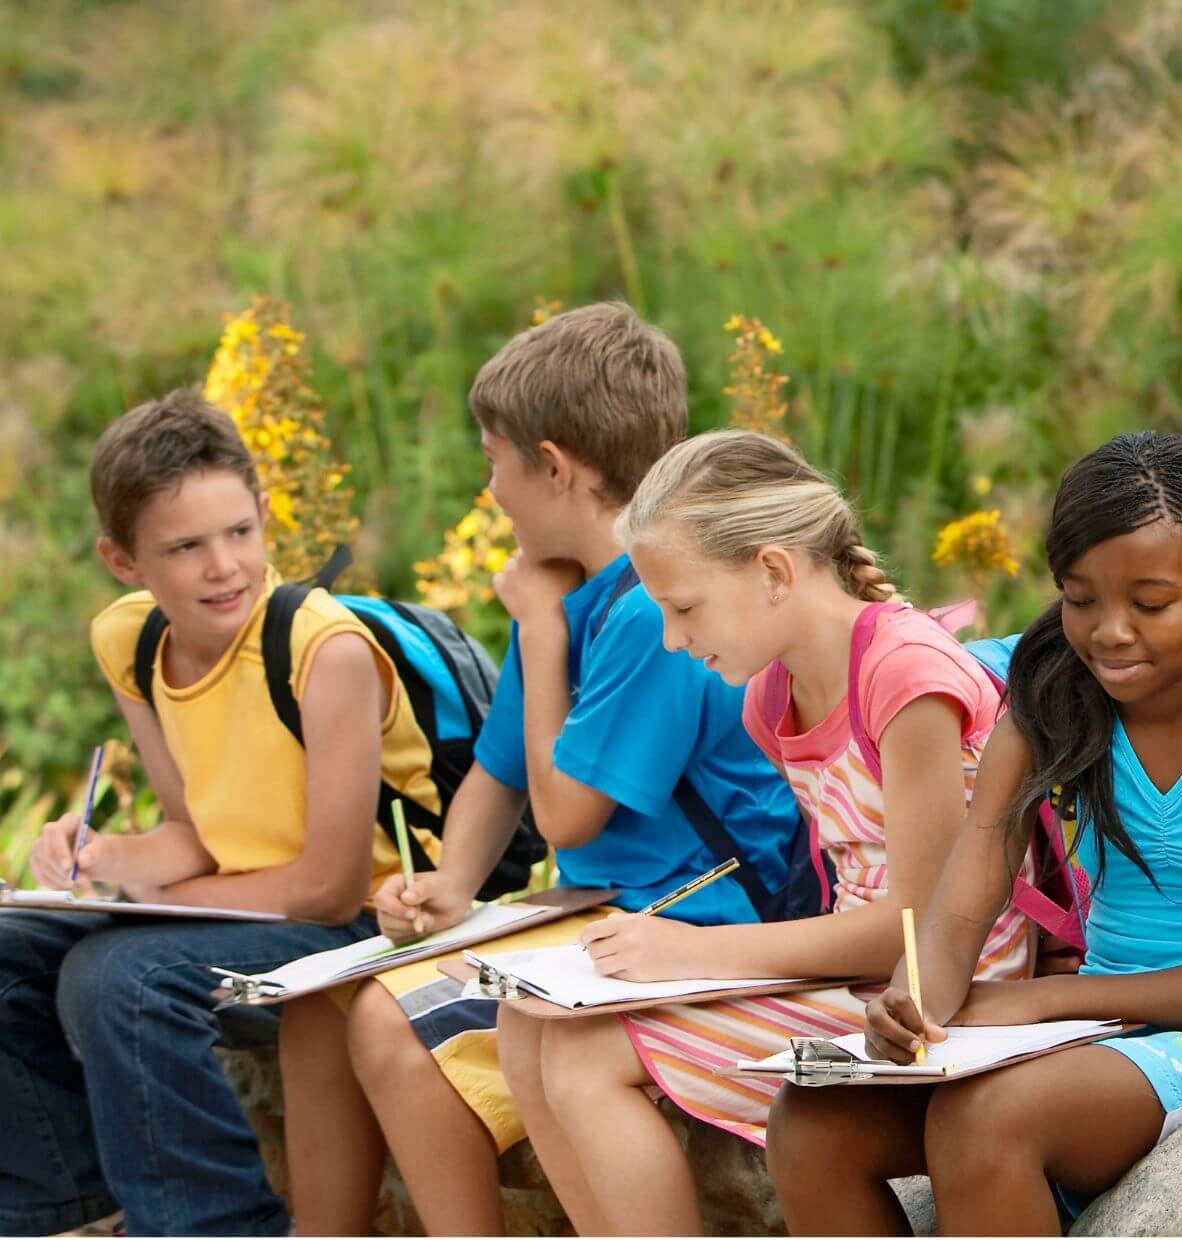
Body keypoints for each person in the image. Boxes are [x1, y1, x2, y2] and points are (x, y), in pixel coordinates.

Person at [277, 302, 802, 1235]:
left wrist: (538, 632)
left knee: (394, 1026)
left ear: (554, 466)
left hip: (704, 910)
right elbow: (501, 771)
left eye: (494, 464)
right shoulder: (567, 593)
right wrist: (451, 884)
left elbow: (565, 822)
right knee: (350, 1012)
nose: (490, 493)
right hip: (605, 906)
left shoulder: (650, 611)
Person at [768, 430, 1182, 1234]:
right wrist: (914, 1004)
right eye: (1080, 599)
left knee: (988, 1118)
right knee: (809, 1123)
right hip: (1105, 1034)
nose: (1109, 631)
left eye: (1149, 603)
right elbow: (956, 914)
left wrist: (1052, 1000)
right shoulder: (1053, 713)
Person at [504, 429, 1036, 1234]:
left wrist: (692, 954)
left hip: (939, 1003)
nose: (675, 640)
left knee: (583, 1057)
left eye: (684, 609)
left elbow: (921, 928)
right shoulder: (772, 696)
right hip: (858, 980)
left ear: (775, 570)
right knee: (526, 1021)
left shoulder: (903, 675)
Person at [0, 388, 444, 1236]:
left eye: (240, 532)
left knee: (118, 978)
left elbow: (329, 886)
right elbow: (194, 834)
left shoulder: (325, 650)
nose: (224, 566)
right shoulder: (130, 640)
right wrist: (99, 861)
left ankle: (215, 1226)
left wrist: (149, 911)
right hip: (230, 909)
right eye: (186, 547)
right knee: (8, 950)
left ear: (266, 515)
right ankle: (69, 1199)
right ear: (123, 560)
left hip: (358, 925)